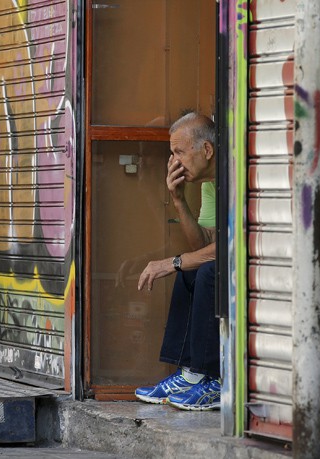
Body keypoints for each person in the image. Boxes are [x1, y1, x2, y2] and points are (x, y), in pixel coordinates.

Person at [134, 112, 220, 411]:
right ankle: (191, 374)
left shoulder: (236, 176)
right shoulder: (210, 183)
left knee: (206, 272)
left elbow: (232, 246)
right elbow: (203, 245)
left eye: (180, 152)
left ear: (207, 150)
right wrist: (179, 199)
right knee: (191, 271)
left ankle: (216, 379)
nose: (175, 162)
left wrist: (172, 261)